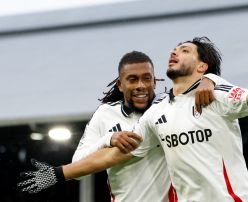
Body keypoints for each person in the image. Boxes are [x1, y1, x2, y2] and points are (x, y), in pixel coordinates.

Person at [18, 37, 248, 202]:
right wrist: (59, 173)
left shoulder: (216, 93)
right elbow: (115, 155)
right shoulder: (156, 114)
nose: (174, 52)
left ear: (202, 67)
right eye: (173, 49)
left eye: (184, 50)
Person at [18, 50, 217, 202]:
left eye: (147, 78)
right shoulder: (105, 114)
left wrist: (210, 80)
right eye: (132, 79)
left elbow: (208, 84)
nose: (141, 85)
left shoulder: (169, 106)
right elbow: (78, 163)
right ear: (120, 85)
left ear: (154, 82)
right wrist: (108, 140)